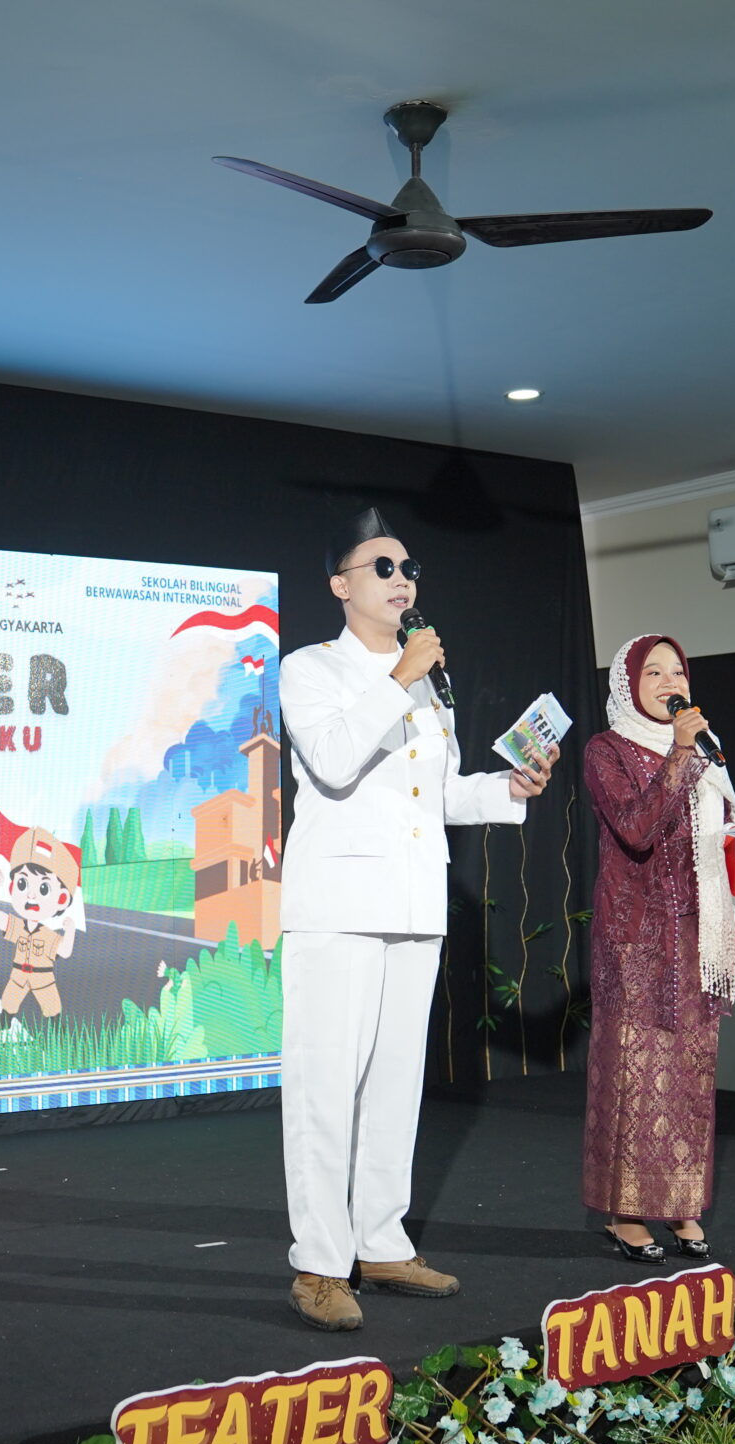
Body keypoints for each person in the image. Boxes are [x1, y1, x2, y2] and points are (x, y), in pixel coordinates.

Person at [276, 507, 557, 1331]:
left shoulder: (427, 681)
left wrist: (506, 788)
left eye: (408, 568)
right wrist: (397, 678)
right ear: (340, 585)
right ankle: (319, 1265)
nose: (402, 580)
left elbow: (436, 794)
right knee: (326, 1087)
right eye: (383, 567)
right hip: (337, 907)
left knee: (397, 1085)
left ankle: (382, 1241)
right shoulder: (311, 668)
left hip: (412, 902)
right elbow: (333, 763)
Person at [583, 635, 735, 1263]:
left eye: (677, 671)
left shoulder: (703, 752)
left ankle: (681, 1204)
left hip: (695, 933)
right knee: (636, 1073)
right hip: (635, 937)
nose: (670, 681)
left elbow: (705, 838)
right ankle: (626, 1214)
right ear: (628, 685)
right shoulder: (607, 749)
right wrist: (681, 753)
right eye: (654, 672)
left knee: (691, 1073)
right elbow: (637, 828)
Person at [0, 824, 82, 1020]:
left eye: (44, 889)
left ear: (61, 898)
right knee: (10, 999)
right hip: (18, 974)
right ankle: (5, 1020)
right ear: (12, 888)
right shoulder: (18, 927)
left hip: (43, 976)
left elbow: (64, 951)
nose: (31, 895)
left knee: (51, 1003)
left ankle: (56, 1026)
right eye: (23, 884)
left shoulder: (48, 935)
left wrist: (70, 930)